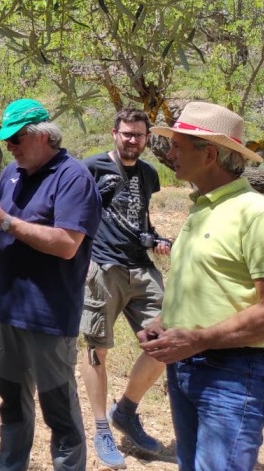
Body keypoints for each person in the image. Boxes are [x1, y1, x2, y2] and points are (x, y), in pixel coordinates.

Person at [140, 102, 264, 471]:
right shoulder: (202, 208)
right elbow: (213, 284)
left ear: (210, 153)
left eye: (179, 146)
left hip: (232, 375)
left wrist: (199, 338)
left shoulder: (257, 215)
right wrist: (164, 321)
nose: (170, 153)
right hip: (189, 368)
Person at [0, 98, 101, 471]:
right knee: (12, 403)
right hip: (8, 311)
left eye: (17, 139)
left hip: (49, 316)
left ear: (42, 136)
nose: (11, 147)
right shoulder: (11, 173)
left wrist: (5, 220)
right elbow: (1, 233)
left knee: (59, 411)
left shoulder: (73, 177)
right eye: (7, 141)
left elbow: (68, 245)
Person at [78, 109, 171, 468]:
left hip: (142, 268)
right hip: (104, 268)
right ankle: (102, 428)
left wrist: (155, 238)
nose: (133, 140)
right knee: (96, 350)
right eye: (127, 134)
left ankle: (126, 410)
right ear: (114, 133)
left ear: (148, 138)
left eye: (139, 135)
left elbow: (139, 216)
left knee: (165, 342)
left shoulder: (148, 173)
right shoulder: (91, 167)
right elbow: (73, 212)